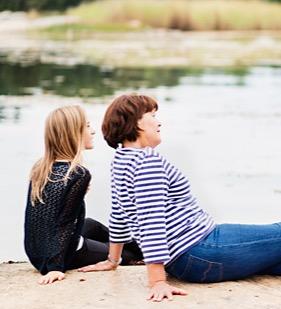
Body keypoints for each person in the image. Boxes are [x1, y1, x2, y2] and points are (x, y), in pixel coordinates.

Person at [78, 94, 281, 302]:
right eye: (153, 115)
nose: (159, 122)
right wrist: (157, 281)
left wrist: (113, 259)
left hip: (187, 257)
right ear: (136, 122)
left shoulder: (122, 160)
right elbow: (151, 221)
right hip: (200, 251)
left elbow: (119, 212)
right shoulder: (147, 162)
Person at [24, 105, 143, 285]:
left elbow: (35, 219)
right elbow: (65, 222)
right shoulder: (78, 174)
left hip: (36, 251)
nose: (93, 131)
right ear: (74, 134)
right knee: (125, 254)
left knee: (93, 226)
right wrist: (56, 266)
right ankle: (146, 252)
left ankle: (141, 245)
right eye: (87, 126)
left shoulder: (40, 168)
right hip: (63, 254)